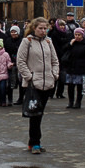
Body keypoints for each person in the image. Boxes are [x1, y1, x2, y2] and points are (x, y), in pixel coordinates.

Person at [16, 17, 60, 154]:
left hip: (48, 83)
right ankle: (35, 143)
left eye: (45, 28)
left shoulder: (48, 42)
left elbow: (55, 60)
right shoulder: (27, 42)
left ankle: (33, 142)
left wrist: (54, 75)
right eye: (40, 28)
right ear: (34, 28)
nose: (43, 31)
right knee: (35, 114)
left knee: (40, 114)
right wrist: (30, 77)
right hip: (34, 84)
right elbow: (20, 61)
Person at [61, 27, 85, 109]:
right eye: (76, 35)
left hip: (81, 68)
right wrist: (70, 44)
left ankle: (78, 102)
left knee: (80, 87)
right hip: (71, 67)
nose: (77, 36)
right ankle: (70, 102)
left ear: (82, 35)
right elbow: (64, 50)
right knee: (70, 86)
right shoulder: (72, 43)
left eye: (79, 35)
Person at [48, 18, 71, 98]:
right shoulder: (54, 34)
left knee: (62, 76)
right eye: (60, 25)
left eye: (63, 25)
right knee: (55, 75)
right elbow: (55, 46)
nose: (62, 27)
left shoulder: (66, 33)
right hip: (56, 56)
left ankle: (60, 93)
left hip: (64, 57)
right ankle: (51, 93)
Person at [6, 25, 23, 105]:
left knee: (21, 82)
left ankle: (21, 98)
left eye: (15, 32)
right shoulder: (8, 41)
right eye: (12, 32)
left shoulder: (22, 41)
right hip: (10, 63)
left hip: (20, 63)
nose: (13, 34)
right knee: (10, 82)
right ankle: (10, 99)